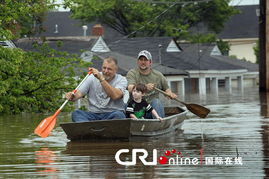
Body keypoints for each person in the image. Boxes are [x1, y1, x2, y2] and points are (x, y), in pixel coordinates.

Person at [65, 57, 127, 122]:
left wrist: (101, 79)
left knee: (119, 115)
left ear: (116, 70)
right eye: (104, 68)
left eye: (109, 69)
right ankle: (88, 129)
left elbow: (115, 96)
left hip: (112, 113)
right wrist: (73, 96)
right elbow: (80, 93)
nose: (106, 71)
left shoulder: (121, 80)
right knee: (76, 113)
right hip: (93, 114)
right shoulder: (91, 77)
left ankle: (91, 128)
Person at [126, 50, 177, 118]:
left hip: (151, 111)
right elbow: (130, 88)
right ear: (138, 62)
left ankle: (160, 124)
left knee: (157, 102)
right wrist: (145, 87)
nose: (143, 62)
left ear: (150, 62)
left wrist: (170, 94)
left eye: (145, 60)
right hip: (136, 111)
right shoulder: (132, 73)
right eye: (141, 60)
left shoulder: (158, 75)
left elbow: (167, 90)